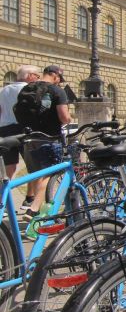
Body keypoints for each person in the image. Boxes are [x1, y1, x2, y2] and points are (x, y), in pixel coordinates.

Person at [16, 65, 71, 218]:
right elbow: (64, 118)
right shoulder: (57, 91)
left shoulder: (28, 88)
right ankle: (33, 209)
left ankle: (34, 203)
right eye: (59, 79)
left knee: (36, 174)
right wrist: (69, 117)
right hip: (49, 139)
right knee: (49, 175)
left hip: (29, 138)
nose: (59, 82)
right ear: (55, 76)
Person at [0, 65, 40, 181]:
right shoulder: (29, 89)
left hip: (4, 129)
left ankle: (4, 194)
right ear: (30, 76)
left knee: (9, 166)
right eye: (37, 76)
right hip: (23, 129)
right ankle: (30, 196)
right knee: (32, 165)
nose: (37, 79)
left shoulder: (4, 90)